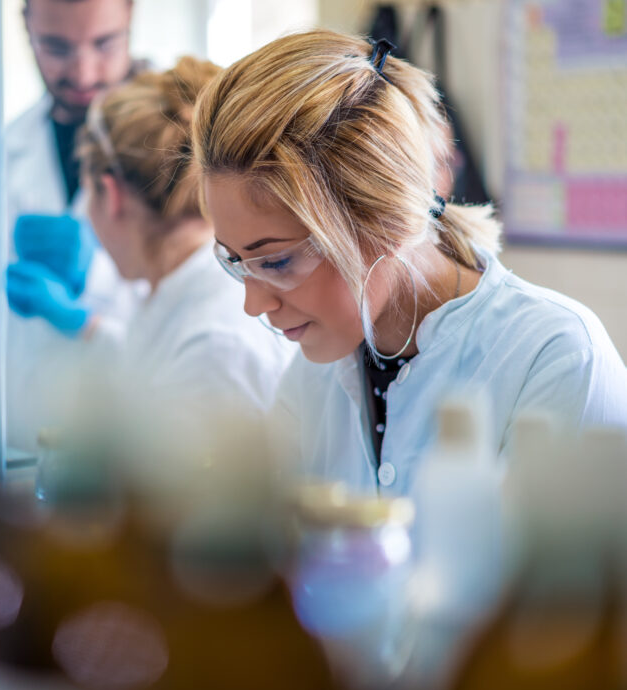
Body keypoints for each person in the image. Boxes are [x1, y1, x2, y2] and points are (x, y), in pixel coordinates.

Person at [190, 29, 627, 498]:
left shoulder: (554, 358)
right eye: (235, 260)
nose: (252, 306)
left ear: (387, 223)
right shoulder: (314, 375)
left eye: (275, 262)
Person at [9, 57, 292, 423]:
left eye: (88, 193)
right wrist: (86, 327)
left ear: (109, 195)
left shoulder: (215, 344)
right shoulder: (177, 288)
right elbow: (147, 369)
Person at [4, 0, 142, 449]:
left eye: (104, 44)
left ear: (130, 17)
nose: (83, 74)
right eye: (57, 48)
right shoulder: (5, 147)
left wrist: (95, 277)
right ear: (28, 28)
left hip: (133, 431)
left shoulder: (178, 141)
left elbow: (207, 295)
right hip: (27, 429)